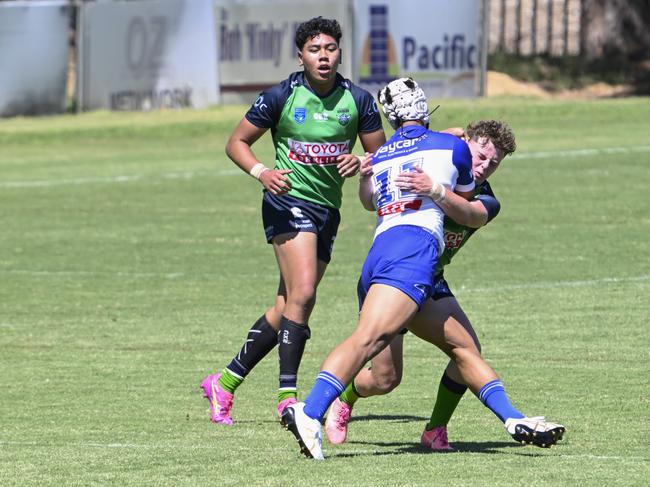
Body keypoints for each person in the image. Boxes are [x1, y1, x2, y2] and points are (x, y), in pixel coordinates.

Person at [325, 120, 565, 451]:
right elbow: (378, 190)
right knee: (385, 379)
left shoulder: (485, 199)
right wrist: (367, 171)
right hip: (392, 276)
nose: (482, 167)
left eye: (492, 164)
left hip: (430, 282)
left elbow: (470, 215)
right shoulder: (435, 160)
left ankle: (440, 428)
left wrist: (435, 190)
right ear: (466, 143)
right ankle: (343, 399)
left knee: (466, 352)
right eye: (480, 156)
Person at [281, 77, 480, 459]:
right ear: (425, 106)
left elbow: (370, 203)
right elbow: (465, 201)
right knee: (368, 339)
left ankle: (317, 409)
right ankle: (310, 411)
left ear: (390, 117)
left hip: (380, 251)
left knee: (383, 365)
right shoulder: (453, 147)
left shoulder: (383, 153)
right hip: (413, 249)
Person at [199, 17, 386, 425]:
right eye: (315, 50)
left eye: (331, 49)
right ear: (300, 55)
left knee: (287, 305)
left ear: (340, 53)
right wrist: (262, 172)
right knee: (303, 294)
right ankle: (288, 396)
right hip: (287, 201)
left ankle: (224, 383)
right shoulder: (280, 96)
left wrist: (362, 160)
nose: (324, 57)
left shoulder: (359, 100)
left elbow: (382, 156)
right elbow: (236, 143)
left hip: (327, 210)